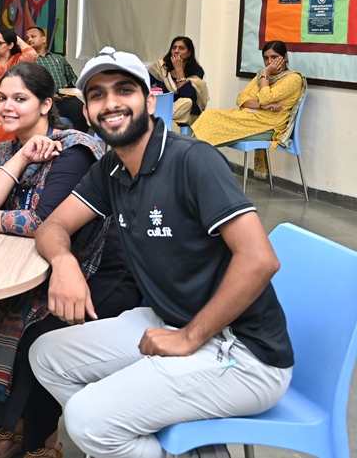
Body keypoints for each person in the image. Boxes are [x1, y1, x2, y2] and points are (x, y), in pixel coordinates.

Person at [27, 47, 293, 458]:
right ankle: (161, 443)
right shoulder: (112, 168)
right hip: (169, 319)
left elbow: (260, 259)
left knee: (86, 420)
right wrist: (64, 263)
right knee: (46, 355)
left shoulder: (193, 160)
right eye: (97, 95)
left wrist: (189, 337)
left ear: (150, 102)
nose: (110, 103)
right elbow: (52, 227)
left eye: (124, 90)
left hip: (241, 351)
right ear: (88, 112)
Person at [0, 63, 139, 458]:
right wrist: (21, 157)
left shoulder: (73, 150)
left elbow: (39, 222)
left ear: (45, 104)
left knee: (40, 333)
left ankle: (42, 439)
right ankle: (11, 423)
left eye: (20, 98)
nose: (7, 106)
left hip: (95, 270)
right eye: (3, 98)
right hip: (32, 268)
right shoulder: (4, 151)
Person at [191, 40, 304, 179]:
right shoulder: (261, 76)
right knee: (208, 115)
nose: (269, 62)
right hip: (250, 117)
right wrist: (261, 106)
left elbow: (265, 98)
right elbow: (241, 99)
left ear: (285, 57)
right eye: (266, 58)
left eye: (274, 57)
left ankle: (193, 169)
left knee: (209, 126)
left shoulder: (293, 79)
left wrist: (266, 74)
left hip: (269, 126)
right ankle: (194, 167)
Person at [24, 26, 88, 132]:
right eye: (27, 38)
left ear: (43, 39)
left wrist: (71, 89)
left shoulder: (59, 58)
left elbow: (73, 79)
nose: (29, 39)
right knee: (49, 122)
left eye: (33, 36)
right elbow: (28, 84)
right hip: (44, 99)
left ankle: (76, 139)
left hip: (66, 98)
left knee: (83, 114)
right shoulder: (28, 61)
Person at [147, 36, 209, 129]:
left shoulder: (196, 70)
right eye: (174, 47)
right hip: (163, 107)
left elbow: (188, 94)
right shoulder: (162, 67)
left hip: (184, 112)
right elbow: (144, 83)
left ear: (189, 53)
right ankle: (159, 118)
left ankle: (158, 118)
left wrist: (179, 69)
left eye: (181, 48)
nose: (176, 51)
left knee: (187, 102)